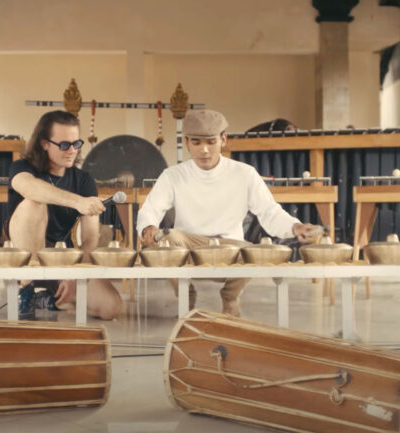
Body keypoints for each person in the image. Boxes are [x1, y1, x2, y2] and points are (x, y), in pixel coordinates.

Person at [137, 109, 321, 316]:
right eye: (196, 142)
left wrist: (295, 227)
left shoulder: (245, 173)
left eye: (211, 142)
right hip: (188, 248)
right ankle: (185, 297)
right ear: (186, 142)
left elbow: (269, 211)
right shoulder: (172, 175)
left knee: (256, 252)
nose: (204, 150)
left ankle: (230, 297)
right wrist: (148, 227)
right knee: (166, 239)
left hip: (231, 247)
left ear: (223, 139)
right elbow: (150, 209)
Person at [7, 110, 122, 320]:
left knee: (110, 307)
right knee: (34, 202)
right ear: (44, 144)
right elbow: (29, 187)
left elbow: (90, 239)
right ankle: (26, 288)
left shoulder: (84, 180)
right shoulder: (21, 168)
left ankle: (51, 300)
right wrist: (78, 202)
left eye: (76, 144)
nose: (72, 151)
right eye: (64, 145)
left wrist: (75, 274)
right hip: (24, 260)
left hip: (62, 258)